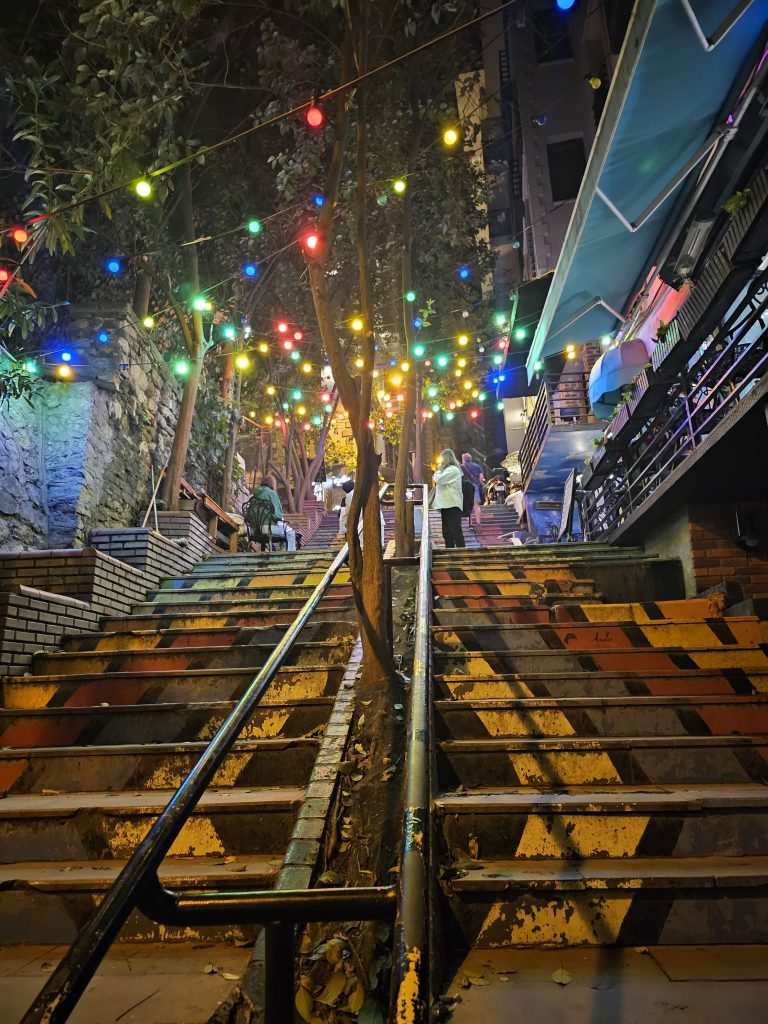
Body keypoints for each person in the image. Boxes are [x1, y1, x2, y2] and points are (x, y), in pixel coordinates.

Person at [249, 475, 297, 550]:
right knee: (291, 533)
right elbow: (278, 515)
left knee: (285, 534)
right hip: (267, 528)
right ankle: (287, 558)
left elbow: (248, 516)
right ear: (272, 484)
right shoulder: (272, 494)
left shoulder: (253, 496)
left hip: (254, 530)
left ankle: (283, 556)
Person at [432, 449, 465, 548]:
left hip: (452, 503)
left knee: (455, 530)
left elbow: (439, 479)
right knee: (446, 531)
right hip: (446, 504)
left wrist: (437, 471)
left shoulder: (453, 470)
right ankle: (449, 550)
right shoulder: (446, 470)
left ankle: (462, 552)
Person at [461, 452, 484, 525]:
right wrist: (479, 483)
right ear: (470, 459)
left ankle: (469, 523)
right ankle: (478, 522)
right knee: (476, 505)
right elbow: (481, 477)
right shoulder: (477, 466)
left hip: (465, 487)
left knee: (467, 505)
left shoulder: (461, 466)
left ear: (463, 459)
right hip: (475, 486)